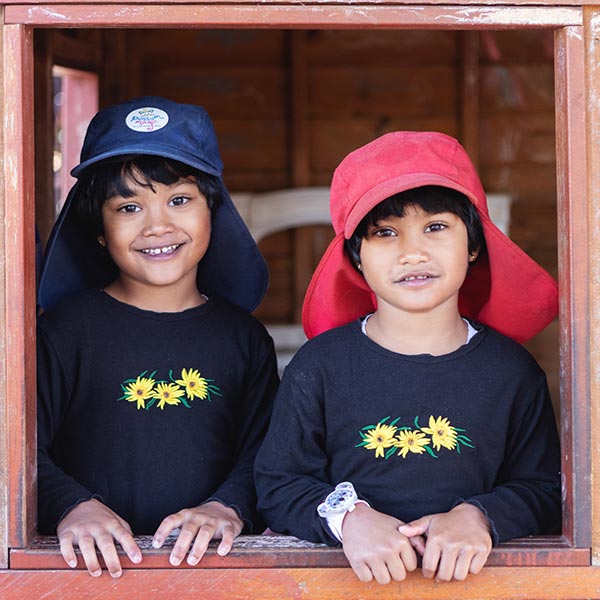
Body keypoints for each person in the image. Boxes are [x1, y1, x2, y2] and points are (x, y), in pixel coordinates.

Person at [255, 131, 561, 584]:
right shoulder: (318, 367)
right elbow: (279, 485)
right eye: (385, 233)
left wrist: (479, 515)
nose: (412, 252)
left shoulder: (512, 372)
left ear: (474, 244)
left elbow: (543, 489)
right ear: (355, 257)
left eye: (436, 227)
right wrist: (350, 519)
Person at [36, 96, 279, 578]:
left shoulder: (243, 337)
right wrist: (71, 506)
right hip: (84, 576)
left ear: (213, 211)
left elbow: (265, 454)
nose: (158, 225)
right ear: (99, 231)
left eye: (180, 200)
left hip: (214, 574)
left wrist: (226, 507)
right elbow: (21, 450)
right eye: (129, 206)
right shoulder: (63, 332)